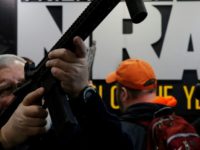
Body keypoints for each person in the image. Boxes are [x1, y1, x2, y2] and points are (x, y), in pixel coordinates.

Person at [0, 37, 132, 150]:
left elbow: (118, 145)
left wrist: (82, 91)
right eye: (5, 89)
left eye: (23, 86)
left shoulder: (58, 134)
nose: (18, 94)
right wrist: (4, 138)